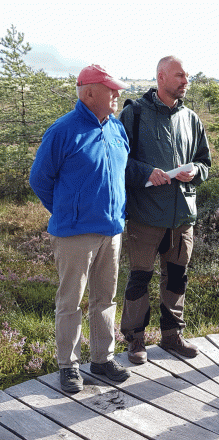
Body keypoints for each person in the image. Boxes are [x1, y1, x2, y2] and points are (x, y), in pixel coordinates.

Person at [29, 64, 131, 392]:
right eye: (111, 89)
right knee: (70, 302)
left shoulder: (116, 128)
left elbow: (120, 173)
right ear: (89, 93)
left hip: (112, 230)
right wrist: (66, 211)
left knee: (105, 299)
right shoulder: (63, 130)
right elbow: (39, 179)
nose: (117, 94)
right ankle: (69, 366)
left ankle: (102, 359)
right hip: (74, 234)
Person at [118, 56, 211, 364]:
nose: (186, 81)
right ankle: (135, 340)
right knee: (139, 279)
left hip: (182, 217)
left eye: (186, 77)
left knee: (176, 278)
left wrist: (195, 171)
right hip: (146, 217)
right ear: (160, 77)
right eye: (180, 76)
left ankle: (172, 337)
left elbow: (205, 163)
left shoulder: (192, 119)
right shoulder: (134, 114)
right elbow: (119, 161)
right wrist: (146, 172)